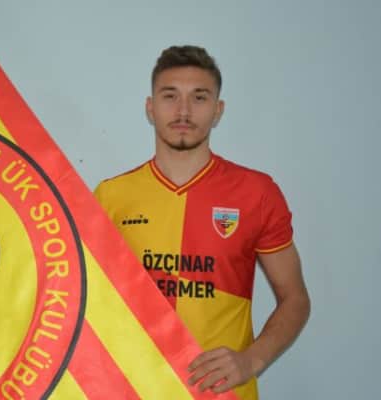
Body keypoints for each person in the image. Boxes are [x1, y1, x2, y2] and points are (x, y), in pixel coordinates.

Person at [93, 45, 310, 399]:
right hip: (133, 389)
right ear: (150, 107)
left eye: (199, 97)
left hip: (222, 393)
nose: (183, 110)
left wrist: (251, 360)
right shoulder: (111, 196)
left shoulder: (256, 193)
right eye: (170, 96)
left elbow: (295, 298)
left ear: (217, 110)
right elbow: (89, 299)